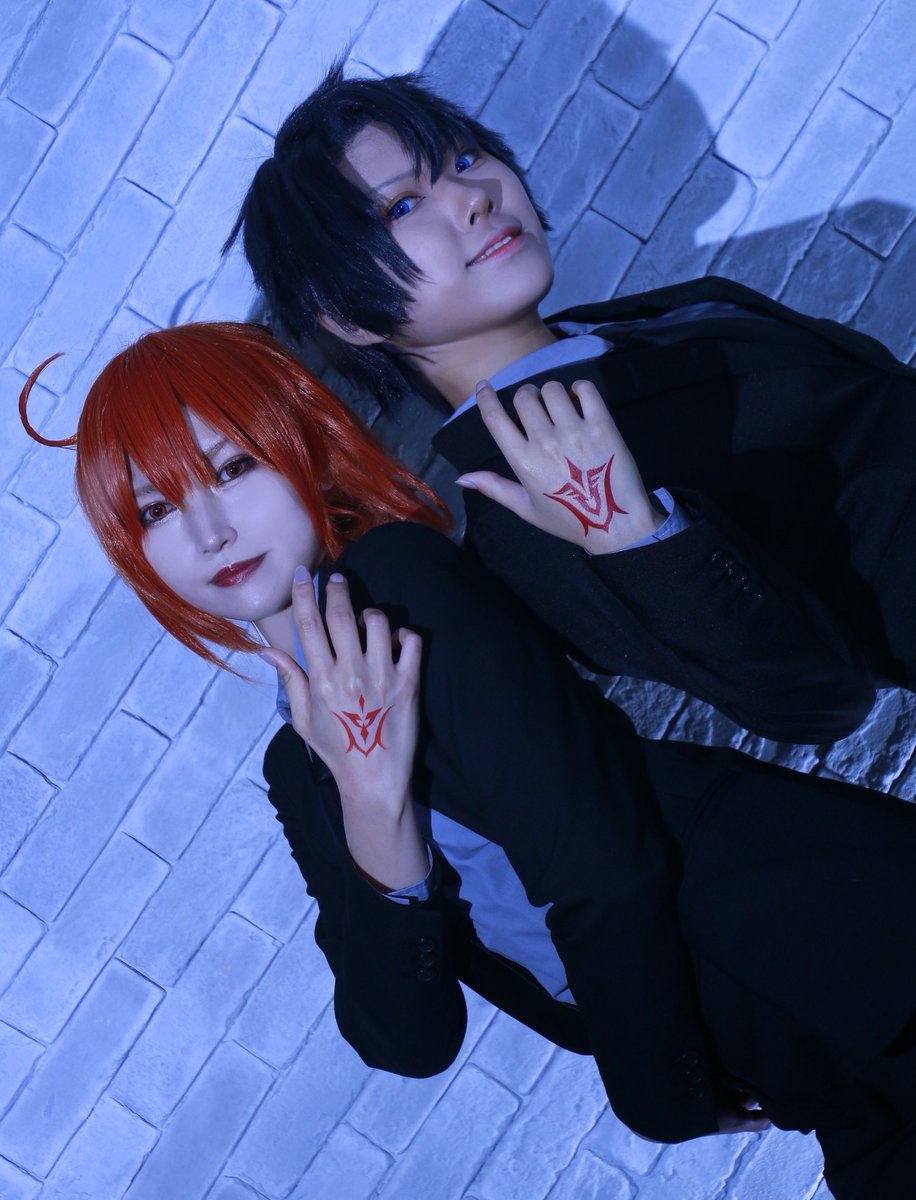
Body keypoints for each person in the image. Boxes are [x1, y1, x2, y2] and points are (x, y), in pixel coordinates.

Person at [20, 322, 916, 1198]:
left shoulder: (402, 580)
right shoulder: (299, 770)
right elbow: (405, 1039)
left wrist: (657, 1102)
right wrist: (373, 807)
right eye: (155, 510)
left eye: (231, 469)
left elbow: (600, 860)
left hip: (847, 938)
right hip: (816, 1062)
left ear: (305, 444)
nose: (209, 530)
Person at [225, 63, 916, 734]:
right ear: (350, 317)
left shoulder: (644, 316)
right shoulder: (523, 522)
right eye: (402, 206)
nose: (474, 196)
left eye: (464, 159)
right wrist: (636, 538)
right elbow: (816, 699)